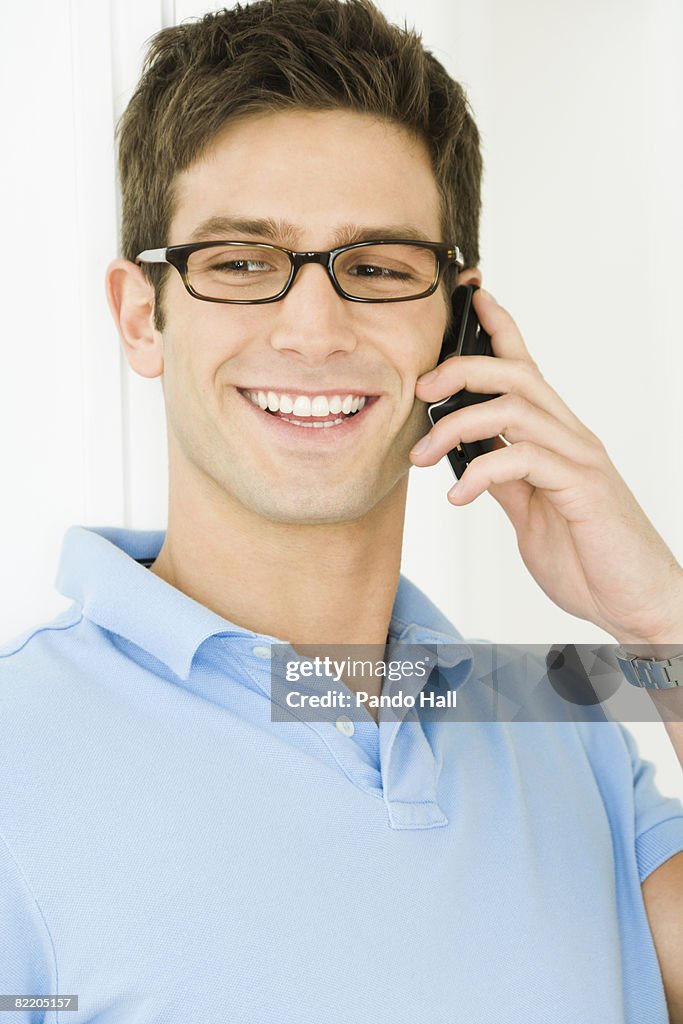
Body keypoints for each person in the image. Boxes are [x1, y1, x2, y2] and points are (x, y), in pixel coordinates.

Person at [1, 1, 682, 1021]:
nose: (313, 329)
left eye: (374, 267)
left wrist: (657, 625)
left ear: (458, 319)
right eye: (238, 262)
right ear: (142, 315)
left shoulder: (562, 721)